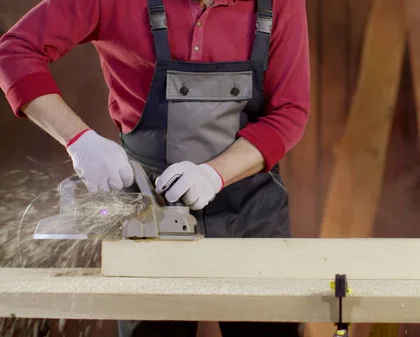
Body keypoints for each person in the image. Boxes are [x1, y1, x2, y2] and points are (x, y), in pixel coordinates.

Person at [0, 0, 310, 335]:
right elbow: (14, 52)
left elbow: (290, 110)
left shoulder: (280, 3)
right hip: (147, 214)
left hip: (250, 211)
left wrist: (213, 174)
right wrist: (80, 141)